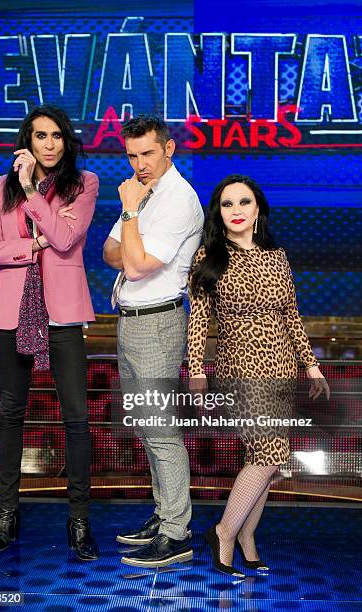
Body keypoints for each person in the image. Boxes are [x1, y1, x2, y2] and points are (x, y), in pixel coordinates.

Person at [188, 174, 330, 576]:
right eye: (227, 204)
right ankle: (224, 532)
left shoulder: (277, 255)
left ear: (257, 210)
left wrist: (311, 363)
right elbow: (198, 319)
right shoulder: (209, 257)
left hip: (282, 367)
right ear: (218, 212)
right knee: (268, 456)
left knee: (263, 458)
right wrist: (196, 369)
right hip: (240, 366)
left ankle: (248, 538)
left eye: (243, 202)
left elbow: (291, 314)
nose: (235, 211)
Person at [0, 104, 99, 561]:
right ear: (26, 141)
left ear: (66, 141)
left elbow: (65, 241)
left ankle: (79, 520)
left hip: (63, 315)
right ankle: (7, 513)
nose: (48, 144)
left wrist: (31, 191)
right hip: (11, 316)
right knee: (11, 414)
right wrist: (32, 244)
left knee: (76, 418)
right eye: (39, 136)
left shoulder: (83, 185)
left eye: (56, 136)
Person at [103, 114, 204, 567]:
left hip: (159, 323)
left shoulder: (177, 199)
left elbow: (139, 266)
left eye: (147, 153)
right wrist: (132, 238)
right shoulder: (142, 193)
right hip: (131, 319)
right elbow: (111, 254)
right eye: (132, 155)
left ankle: (177, 532)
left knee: (162, 431)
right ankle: (165, 514)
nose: (139, 163)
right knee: (145, 426)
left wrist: (129, 216)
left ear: (168, 149)